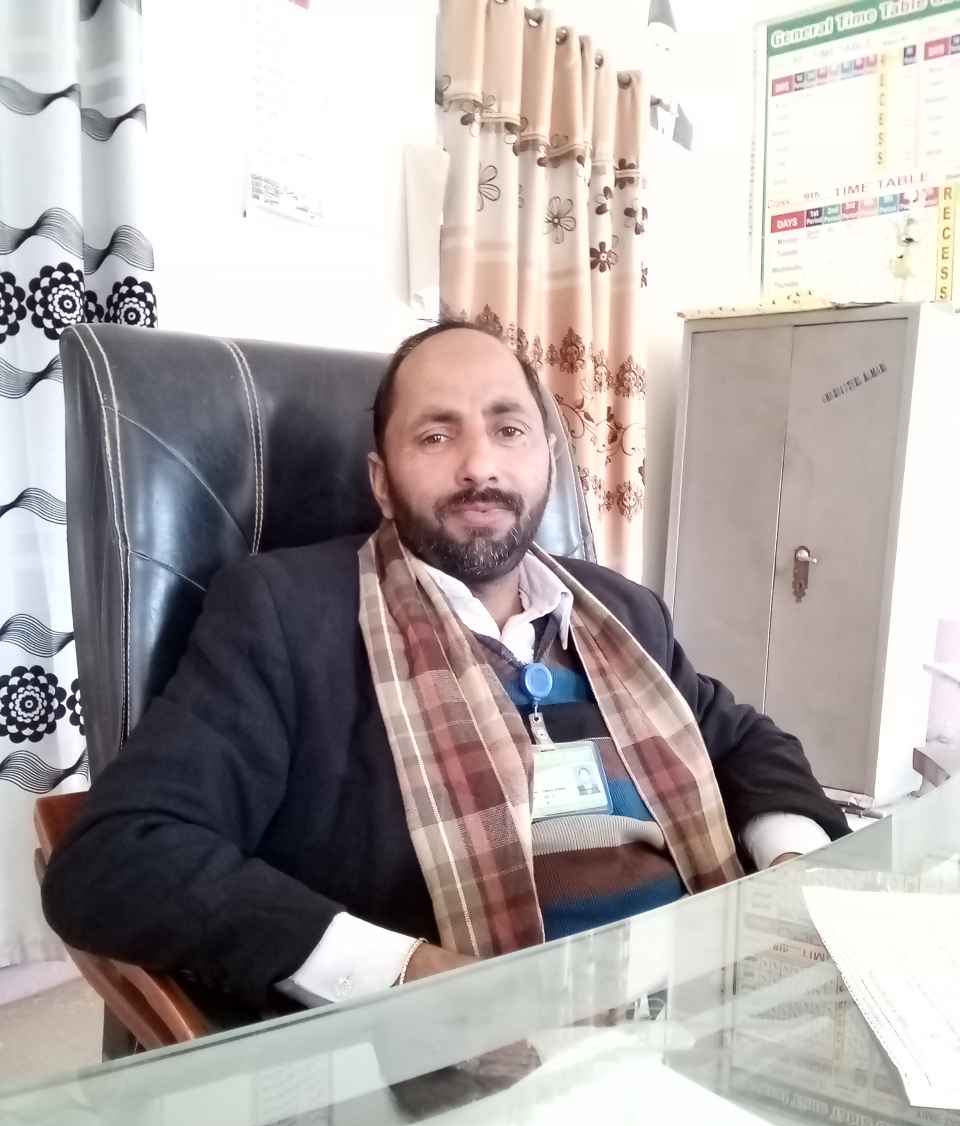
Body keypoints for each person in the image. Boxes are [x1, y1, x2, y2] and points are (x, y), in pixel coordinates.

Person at [42, 322, 848, 1014]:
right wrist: (406, 978)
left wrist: (788, 864)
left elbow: (745, 744)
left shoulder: (620, 611)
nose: (479, 467)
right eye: (436, 436)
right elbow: (122, 856)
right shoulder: (286, 616)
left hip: (698, 1015)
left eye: (509, 430)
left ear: (547, 460)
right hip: (467, 1070)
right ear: (381, 482)